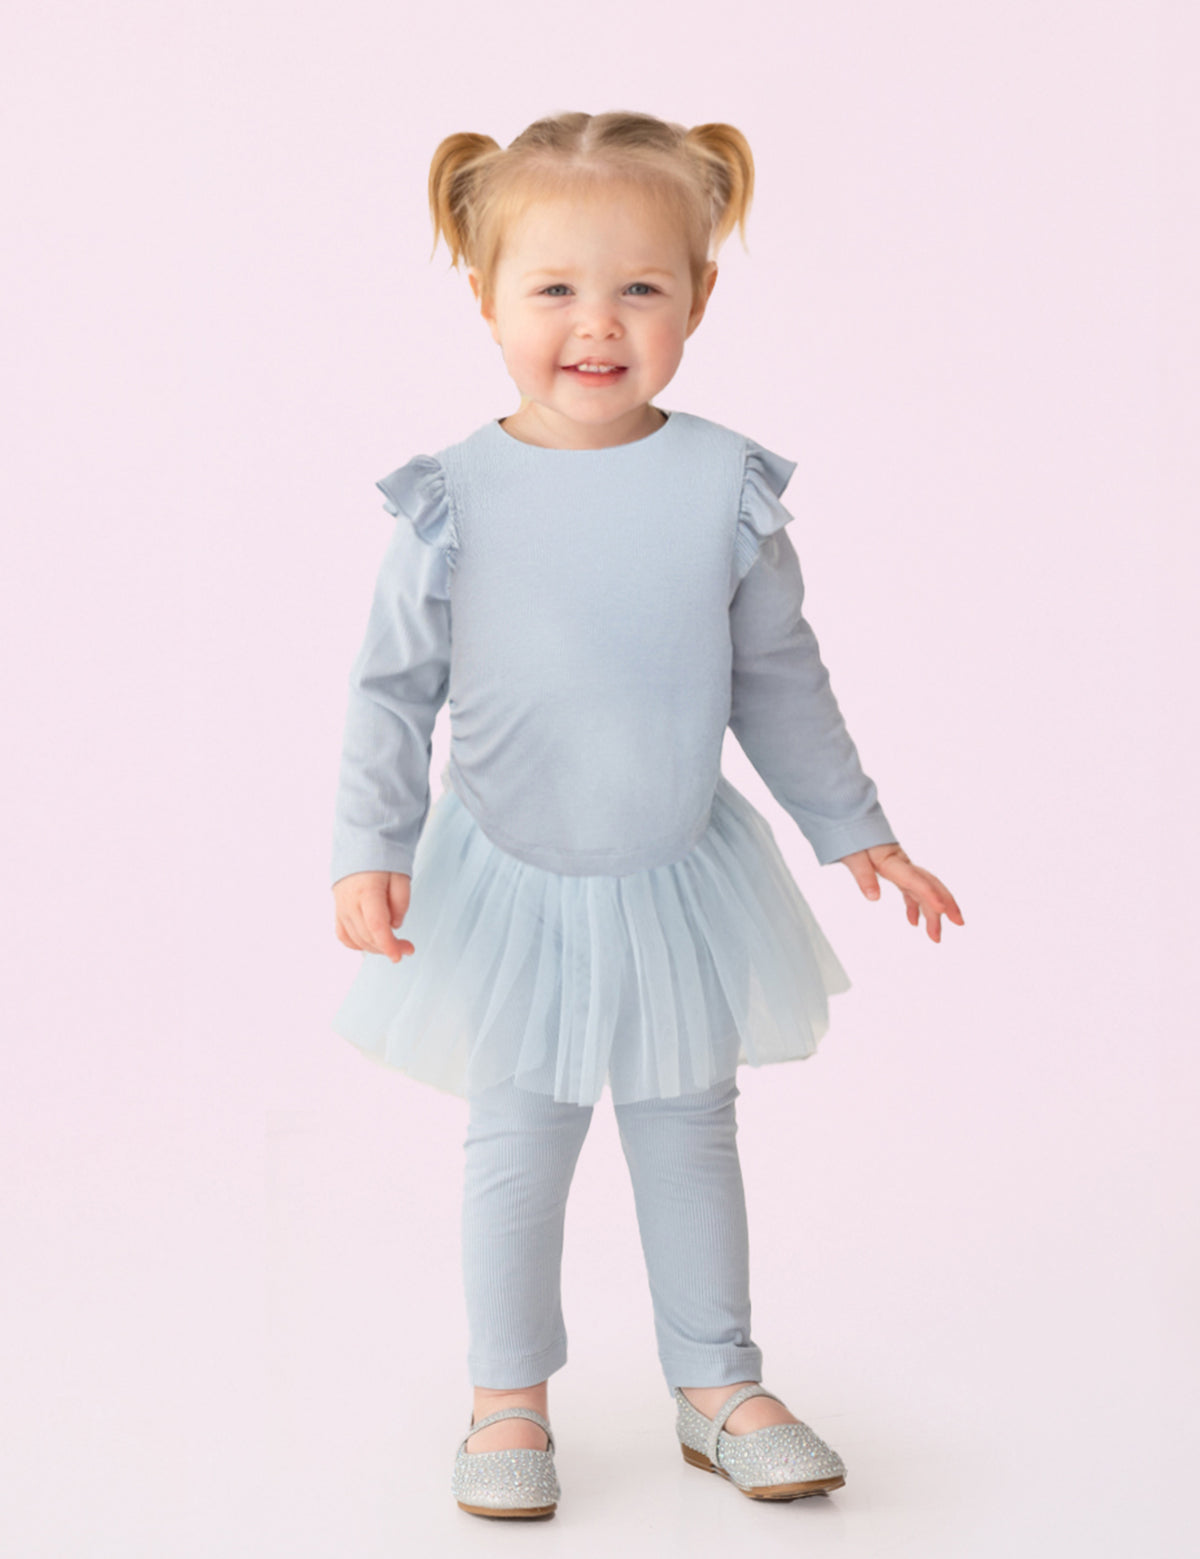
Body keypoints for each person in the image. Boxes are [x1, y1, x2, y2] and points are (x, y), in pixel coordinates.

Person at [329, 110, 963, 1520]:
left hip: (678, 865)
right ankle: (507, 1393)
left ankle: (718, 1384)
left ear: (700, 296)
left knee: (690, 1129)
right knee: (521, 1135)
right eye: (553, 288)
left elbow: (780, 680)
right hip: (509, 871)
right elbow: (391, 692)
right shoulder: (455, 499)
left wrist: (856, 827)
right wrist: (368, 850)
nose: (596, 324)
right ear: (484, 295)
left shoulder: (721, 488)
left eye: (640, 288)